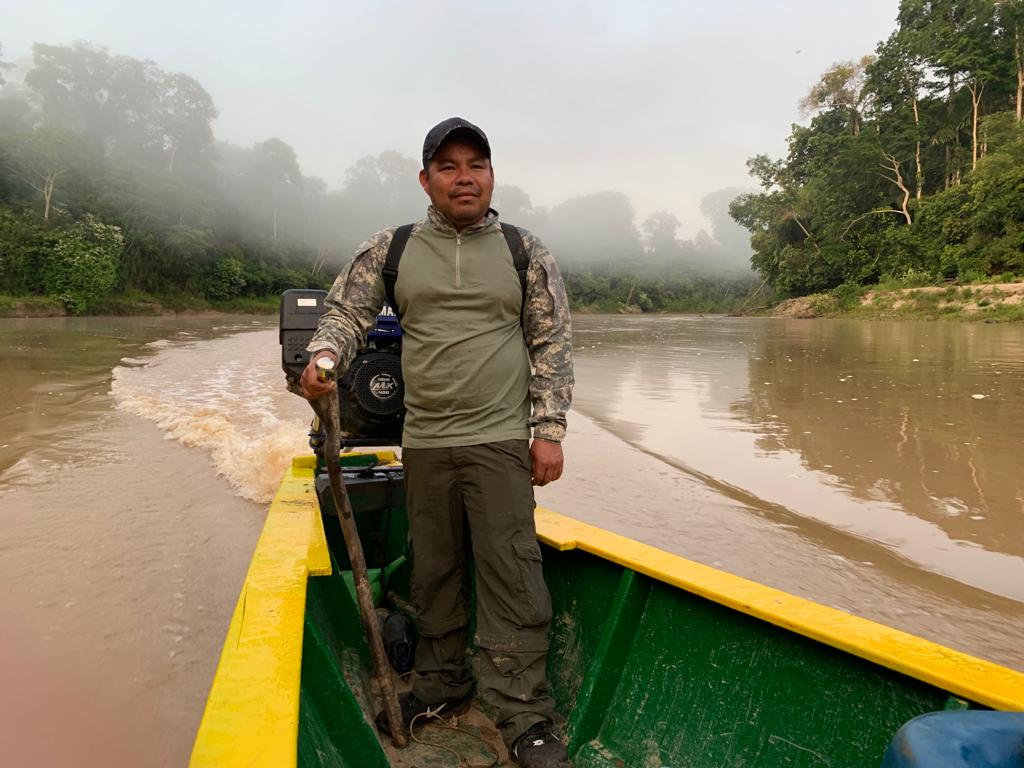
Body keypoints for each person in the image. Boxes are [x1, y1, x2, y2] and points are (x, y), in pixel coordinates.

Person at [298, 117, 574, 768]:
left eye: (475, 164)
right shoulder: (392, 250)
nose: (464, 176)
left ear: (492, 176)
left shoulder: (522, 250)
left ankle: (523, 715)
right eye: (447, 166)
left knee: (513, 575)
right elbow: (344, 313)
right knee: (435, 569)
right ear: (426, 180)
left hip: (501, 437)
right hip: (424, 440)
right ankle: (443, 684)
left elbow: (551, 343)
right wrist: (324, 355)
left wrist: (549, 431)